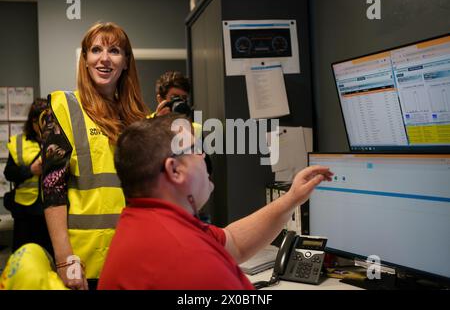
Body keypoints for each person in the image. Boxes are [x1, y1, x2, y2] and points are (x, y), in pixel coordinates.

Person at [98, 114, 333, 289]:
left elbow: (234, 243)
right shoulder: (189, 259)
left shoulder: (146, 223)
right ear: (175, 170)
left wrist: (291, 198)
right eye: (196, 150)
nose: (203, 157)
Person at [40, 22, 150, 290]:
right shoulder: (64, 108)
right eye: (96, 50)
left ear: (125, 62)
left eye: (114, 50)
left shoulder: (140, 119)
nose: (104, 58)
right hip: (85, 261)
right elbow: (52, 188)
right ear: (85, 60)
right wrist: (65, 260)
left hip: (135, 253)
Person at [3, 98, 53, 256]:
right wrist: (30, 170)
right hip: (25, 211)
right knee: (22, 255)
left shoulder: (56, 141)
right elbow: (9, 173)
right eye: (43, 121)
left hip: (50, 209)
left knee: (49, 256)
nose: (47, 125)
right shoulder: (19, 142)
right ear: (33, 121)